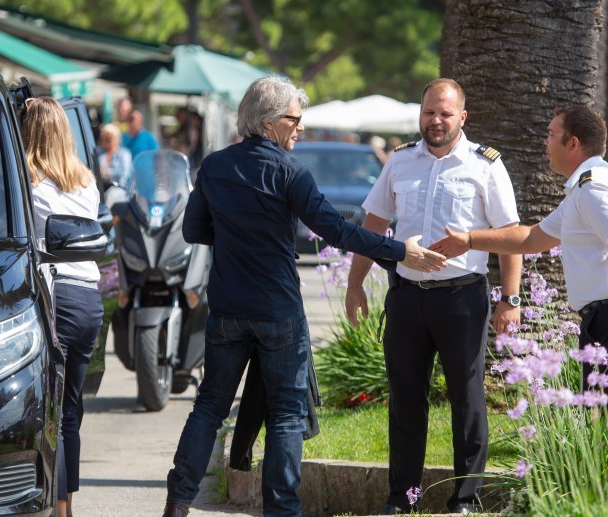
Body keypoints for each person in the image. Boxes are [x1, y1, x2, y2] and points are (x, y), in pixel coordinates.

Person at [162, 75, 447, 517]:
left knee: (210, 406)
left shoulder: (215, 166)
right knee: (286, 415)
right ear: (271, 122)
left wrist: (237, 233)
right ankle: (283, 511)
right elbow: (334, 229)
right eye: (295, 120)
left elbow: (193, 229)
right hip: (278, 310)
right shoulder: (290, 171)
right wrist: (399, 250)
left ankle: (178, 503)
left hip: (228, 311)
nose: (301, 128)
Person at [345, 78, 522, 514]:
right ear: (420, 114)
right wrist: (354, 285)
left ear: (462, 117)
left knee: (467, 397)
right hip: (406, 296)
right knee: (406, 397)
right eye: (429, 112)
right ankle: (402, 497)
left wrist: (510, 299)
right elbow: (373, 225)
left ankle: (465, 498)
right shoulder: (400, 162)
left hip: (462, 299)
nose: (436, 121)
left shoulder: (485, 165)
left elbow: (510, 237)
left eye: (445, 113)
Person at [431, 105, 608, 416]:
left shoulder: (594, 189)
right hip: (602, 319)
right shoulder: (583, 189)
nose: (545, 142)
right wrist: (470, 240)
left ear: (573, 144)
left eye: (552, 135)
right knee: (607, 425)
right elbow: (531, 238)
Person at [20, 97, 104, 517]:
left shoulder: (28, 184)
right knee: (70, 408)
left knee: (47, 411)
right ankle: (65, 504)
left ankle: (55, 501)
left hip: (57, 299)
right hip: (90, 298)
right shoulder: (86, 182)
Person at [97, 123, 133, 189]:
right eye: (104, 138)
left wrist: (106, 173)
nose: (106, 141)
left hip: (119, 190)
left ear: (117, 138)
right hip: (100, 189)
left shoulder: (124, 154)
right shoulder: (98, 152)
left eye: (109, 138)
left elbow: (124, 174)